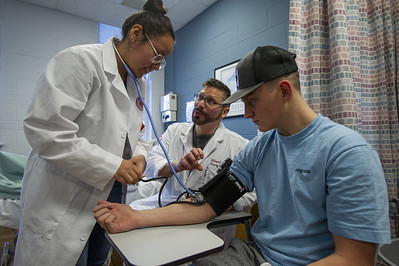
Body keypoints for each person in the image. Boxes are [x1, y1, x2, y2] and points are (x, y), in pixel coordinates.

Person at [94, 46, 391, 265]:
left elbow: (354, 259)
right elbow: (206, 206)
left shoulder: (348, 154)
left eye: (252, 102)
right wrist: (136, 216)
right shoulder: (259, 149)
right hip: (255, 254)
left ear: (284, 91)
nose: (246, 113)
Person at [14, 0, 175, 265]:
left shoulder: (139, 86)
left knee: (97, 260)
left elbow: (136, 136)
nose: (158, 65)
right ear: (136, 34)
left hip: (108, 201)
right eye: (158, 54)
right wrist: (114, 165)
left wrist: (140, 157)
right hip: (61, 202)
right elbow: (45, 130)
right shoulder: (80, 61)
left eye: (164, 61)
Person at [129, 78, 256, 244]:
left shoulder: (239, 146)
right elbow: (152, 162)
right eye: (200, 97)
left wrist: (213, 203)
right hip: (165, 210)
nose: (200, 104)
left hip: (209, 224)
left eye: (210, 101)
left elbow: (250, 194)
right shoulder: (175, 131)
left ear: (224, 112)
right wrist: (178, 165)